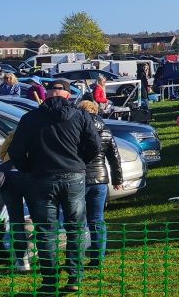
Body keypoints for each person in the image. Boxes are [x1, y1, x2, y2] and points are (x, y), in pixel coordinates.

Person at [7, 79, 101, 294]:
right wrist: (79, 163)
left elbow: (16, 151)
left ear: (48, 94)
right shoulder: (80, 116)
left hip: (42, 179)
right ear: (67, 95)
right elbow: (94, 146)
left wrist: (28, 168)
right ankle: (74, 277)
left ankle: (50, 281)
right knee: (74, 229)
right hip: (72, 178)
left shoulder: (30, 118)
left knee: (46, 232)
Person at [77, 100, 122, 268]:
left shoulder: (77, 130)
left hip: (81, 178)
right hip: (100, 178)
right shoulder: (106, 130)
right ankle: (98, 258)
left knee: (79, 220)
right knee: (97, 219)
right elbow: (114, 157)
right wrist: (117, 179)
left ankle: (77, 258)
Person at [0, 131, 32, 272]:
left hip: (10, 179)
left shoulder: (12, 134)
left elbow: (0, 155)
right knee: (40, 219)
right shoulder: (37, 133)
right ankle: (44, 256)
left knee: (16, 221)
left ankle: (22, 262)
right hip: (31, 178)